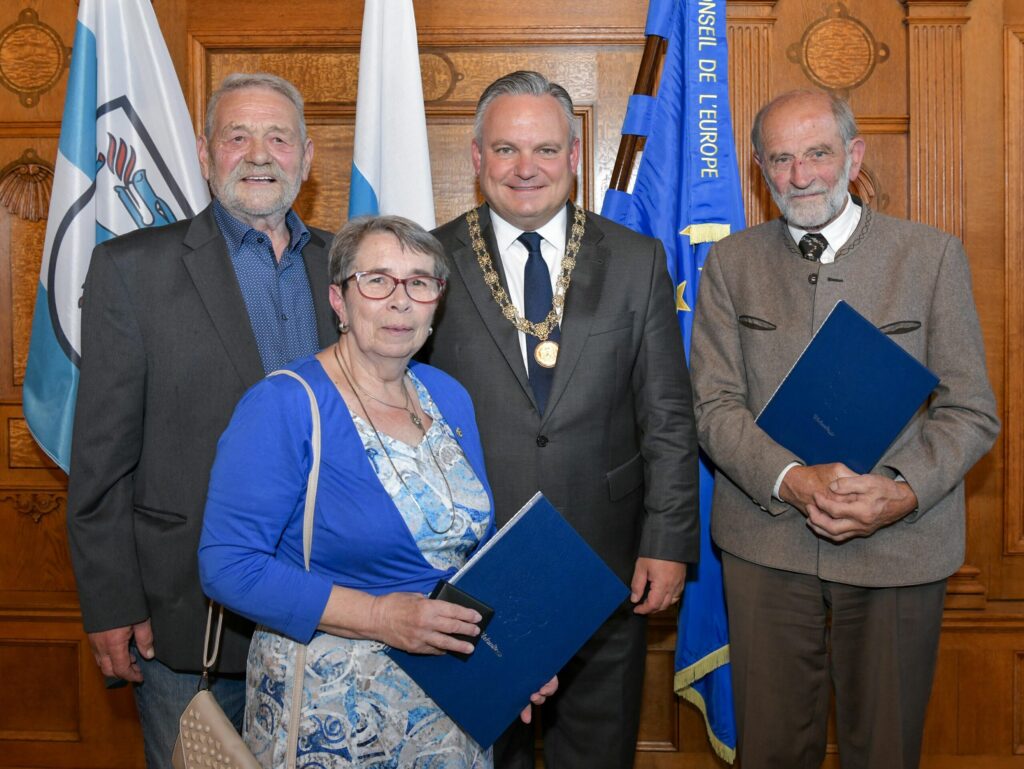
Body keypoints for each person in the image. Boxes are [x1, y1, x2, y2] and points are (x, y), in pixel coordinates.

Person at [690, 89, 1000, 769]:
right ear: (757, 169)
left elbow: (972, 410)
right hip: (766, 544)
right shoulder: (730, 265)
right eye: (780, 159)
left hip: (900, 546)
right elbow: (712, 408)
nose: (799, 176)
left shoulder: (931, 257)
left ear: (854, 156)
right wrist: (791, 479)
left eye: (817, 154)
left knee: (885, 750)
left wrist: (899, 490)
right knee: (770, 751)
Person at [199, 215, 556, 768]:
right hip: (332, 716)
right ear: (338, 300)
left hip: (449, 708)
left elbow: (466, 561)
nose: (400, 301)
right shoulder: (284, 404)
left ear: (437, 302)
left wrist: (513, 660)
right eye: (377, 280)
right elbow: (228, 566)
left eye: (419, 282)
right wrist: (381, 618)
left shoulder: (448, 396)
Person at [422, 70, 700, 769]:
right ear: (477, 156)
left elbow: (667, 414)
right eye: (506, 149)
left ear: (575, 158)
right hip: (470, 574)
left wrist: (667, 540)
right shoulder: (424, 263)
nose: (526, 169)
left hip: (604, 565)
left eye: (545, 150)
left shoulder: (637, 261)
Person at [65, 72, 337, 767]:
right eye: (237, 135)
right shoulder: (133, 270)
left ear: (307, 159)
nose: (258, 154)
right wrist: (110, 602)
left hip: (335, 612)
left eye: (278, 137)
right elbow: (100, 461)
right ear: (204, 151)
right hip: (184, 617)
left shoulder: (351, 267)